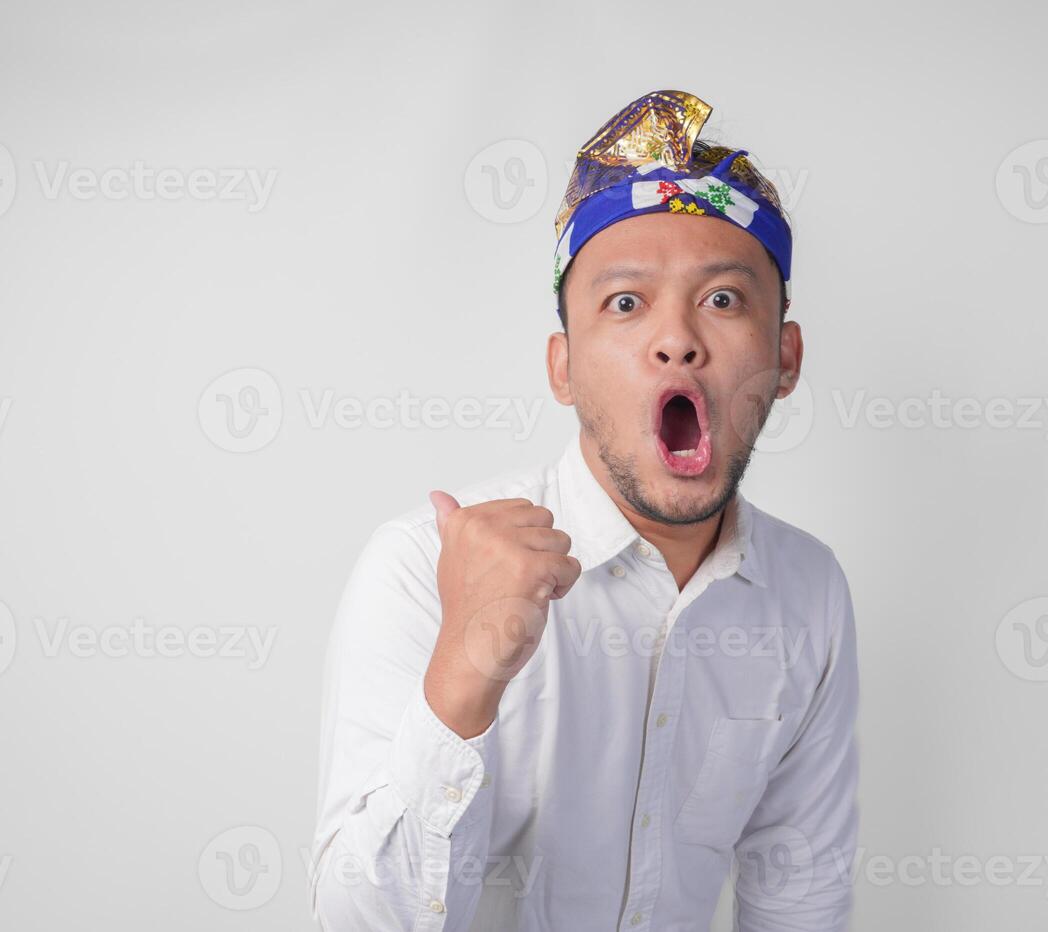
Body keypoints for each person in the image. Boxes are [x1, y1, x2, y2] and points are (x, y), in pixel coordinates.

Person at [311, 88, 860, 931]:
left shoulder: (809, 591)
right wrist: (465, 670)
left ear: (785, 356)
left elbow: (799, 899)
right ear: (563, 369)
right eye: (626, 303)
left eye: (723, 299)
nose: (676, 340)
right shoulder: (423, 564)